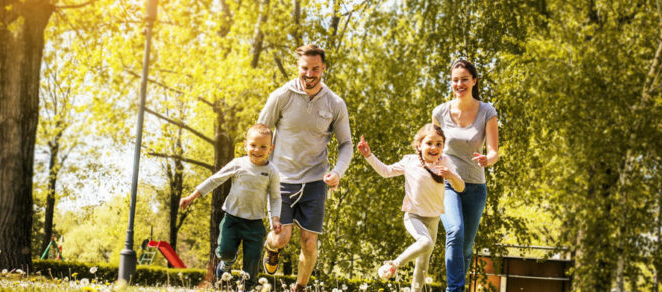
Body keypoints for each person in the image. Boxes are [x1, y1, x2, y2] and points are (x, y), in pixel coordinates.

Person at [258, 44, 353, 291]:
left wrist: (338, 172)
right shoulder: (281, 96)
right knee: (282, 237)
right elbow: (261, 132)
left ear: (323, 68)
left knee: (309, 243)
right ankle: (271, 247)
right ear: (297, 68)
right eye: (305, 68)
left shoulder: (335, 103)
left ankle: (299, 288)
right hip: (281, 179)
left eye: (315, 69)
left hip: (314, 182)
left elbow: (346, 144)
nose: (309, 74)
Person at [356, 124, 464, 292]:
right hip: (413, 216)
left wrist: (450, 175)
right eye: (429, 143)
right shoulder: (410, 161)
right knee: (425, 242)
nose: (434, 147)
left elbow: (460, 187)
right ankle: (394, 264)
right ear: (419, 145)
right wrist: (369, 155)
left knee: (422, 264)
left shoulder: (445, 162)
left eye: (439, 144)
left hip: (434, 219)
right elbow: (386, 171)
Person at [179, 124, 282, 289]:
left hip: (255, 224)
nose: (257, 150)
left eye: (263, 146)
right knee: (225, 252)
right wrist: (192, 195)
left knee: (252, 265)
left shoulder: (272, 171)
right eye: (253, 145)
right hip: (232, 219)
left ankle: (247, 288)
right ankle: (227, 264)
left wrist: (275, 220)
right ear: (245, 145)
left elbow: (275, 197)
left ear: (271, 148)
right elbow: (215, 179)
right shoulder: (238, 163)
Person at [431, 58, 500, 291]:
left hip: (475, 187)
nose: (459, 84)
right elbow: (431, 146)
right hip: (448, 183)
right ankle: (455, 289)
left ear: (474, 81)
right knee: (455, 231)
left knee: (466, 247)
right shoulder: (440, 112)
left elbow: (493, 152)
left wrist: (486, 159)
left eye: (464, 80)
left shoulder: (487, 111)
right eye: (455, 80)